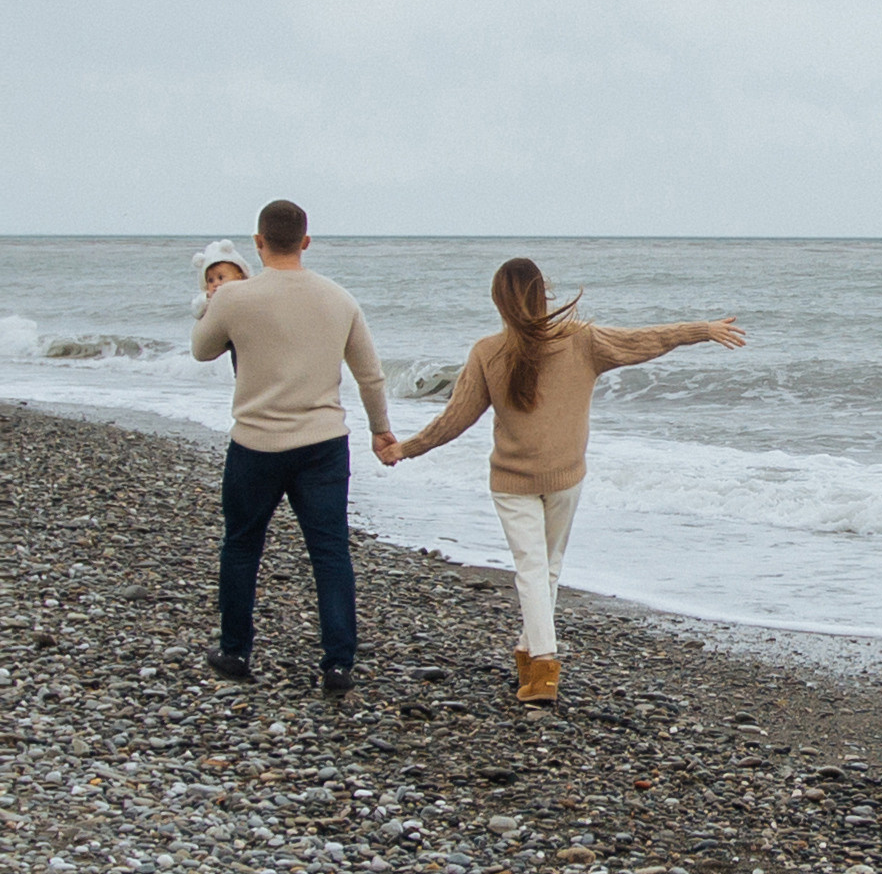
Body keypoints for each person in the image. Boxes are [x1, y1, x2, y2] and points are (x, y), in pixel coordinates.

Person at [381, 259, 745, 703]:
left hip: (513, 479)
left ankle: (538, 662)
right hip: (564, 476)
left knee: (535, 571)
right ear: (543, 293)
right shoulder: (581, 342)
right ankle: (539, 661)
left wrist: (407, 448)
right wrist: (702, 329)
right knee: (543, 570)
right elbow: (645, 340)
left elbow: (455, 419)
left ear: (498, 301)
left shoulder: (489, 351)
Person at [192, 199, 393, 696]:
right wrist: (380, 430)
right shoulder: (338, 298)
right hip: (322, 443)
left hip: (255, 441)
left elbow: (201, 349)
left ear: (258, 243)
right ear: (306, 241)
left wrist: (217, 303)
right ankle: (338, 664)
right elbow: (370, 375)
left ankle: (236, 651)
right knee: (329, 552)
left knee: (241, 545)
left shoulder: (234, 298)